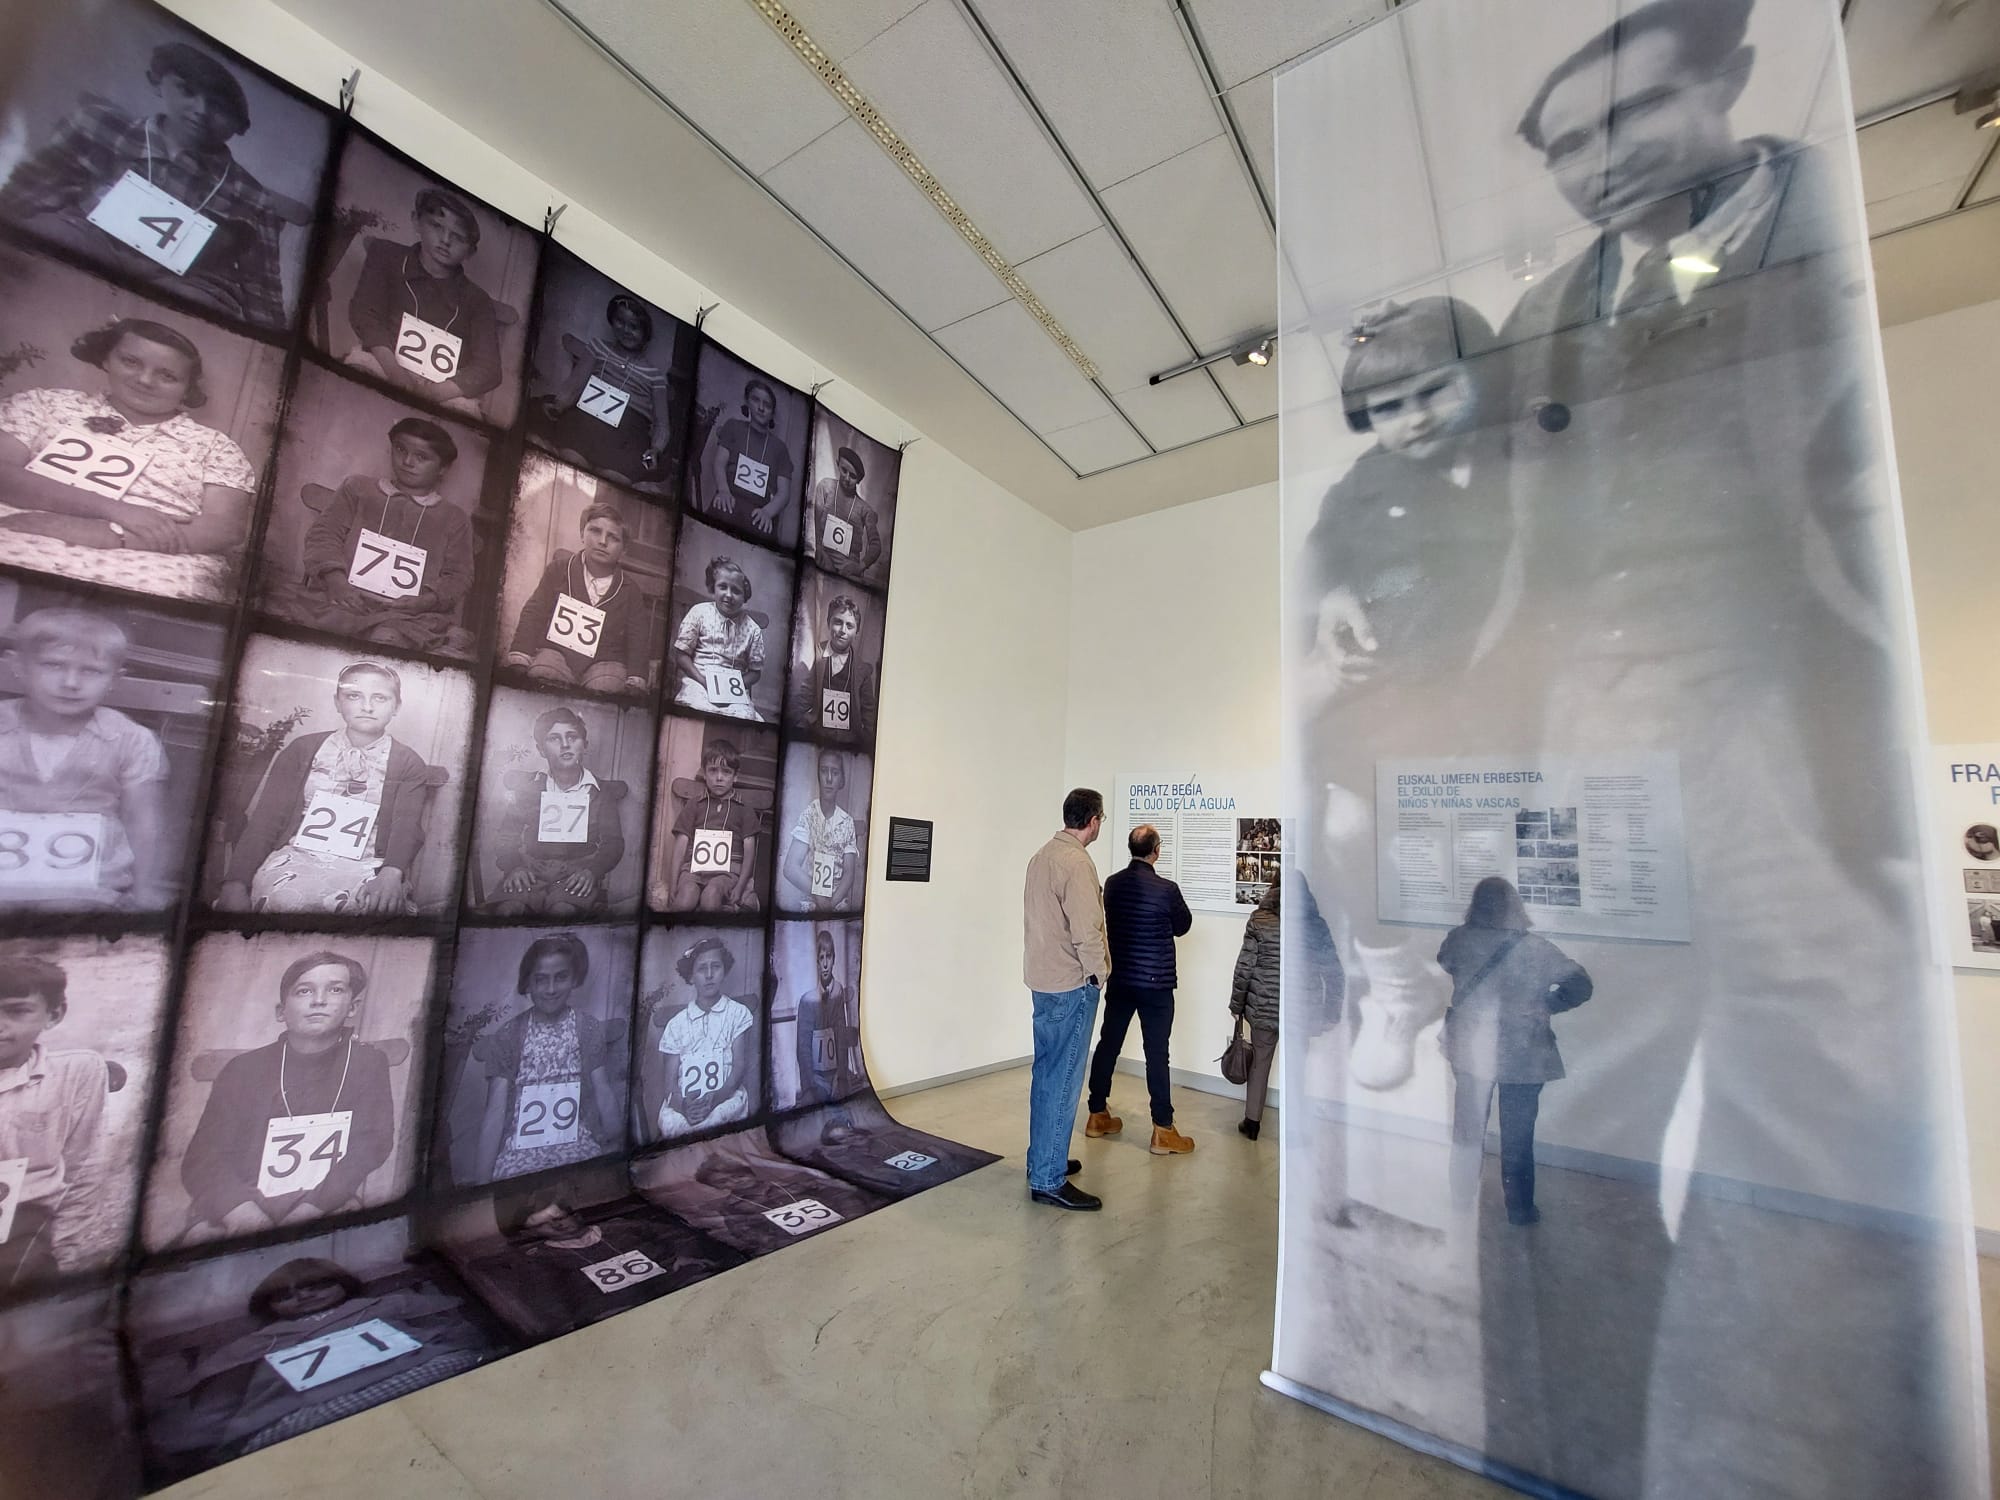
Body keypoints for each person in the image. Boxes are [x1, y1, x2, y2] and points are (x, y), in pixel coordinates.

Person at [1299, 295, 1519, 1097]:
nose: (1413, 418)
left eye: (1432, 391)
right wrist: (1327, 599)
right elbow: (1322, 553)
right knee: (1345, 824)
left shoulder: (1521, 465)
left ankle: (1402, 975)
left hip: (1478, 692)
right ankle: (1396, 980)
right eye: (1389, 407)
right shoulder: (1370, 479)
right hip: (1382, 689)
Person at [0, 41, 307, 327]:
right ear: (156, 82)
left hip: (185, 280)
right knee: (49, 236)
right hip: (89, 241)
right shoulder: (101, 125)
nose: (201, 110)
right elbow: (36, 185)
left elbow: (260, 285)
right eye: (186, 91)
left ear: (238, 127)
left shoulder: (252, 196)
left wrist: (274, 340)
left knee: (202, 306)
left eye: (220, 107)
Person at [138, 1255, 491, 1480]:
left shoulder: (387, 1303)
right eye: (285, 1293)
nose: (304, 1296)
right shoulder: (257, 1343)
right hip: (306, 1417)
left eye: (315, 1284)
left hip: (419, 1377)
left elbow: (457, 1325)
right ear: (268, 1305)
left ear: (343, 1284)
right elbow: (214, 1400)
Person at [0, 317, 259, 602]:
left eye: (167, 376)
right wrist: (113, 509)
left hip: (149, 556)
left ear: (187, 388)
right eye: (131, 362)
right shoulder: (43, 404)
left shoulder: (215, 446)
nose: (145, 380)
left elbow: (225, 529)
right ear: (107, 359)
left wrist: (110, 535)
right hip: (20, 527)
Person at [177, 950, 395, 1239]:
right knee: (203, 1246)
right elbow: (203, 1158)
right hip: (244, 1198)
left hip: (325, 1201)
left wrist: (312, 1209)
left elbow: (371, 1144)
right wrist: (242, 1213)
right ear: (281, 1011)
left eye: (335, 989)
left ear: (352, 1007)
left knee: (353, 1242)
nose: (319, 1000)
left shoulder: (368, 1064)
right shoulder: (243, 1070)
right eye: (304, 991)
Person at [214, 662, 436, 915]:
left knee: (372, 907)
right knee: (284, 900)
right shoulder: (302, 750)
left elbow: (406, 826)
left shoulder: (408, 762)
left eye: (380, 698)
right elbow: (266, 820)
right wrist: (235, 883)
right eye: (354, 696)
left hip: (369, 862)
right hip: (297, 855)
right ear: (337, 702)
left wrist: (390, 874)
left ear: (396, 706)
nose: (367, 706)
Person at [1437, 877, 1592, 1226]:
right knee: (1518, 1135)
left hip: (1473, 1049)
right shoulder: (1536, 948)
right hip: (1523, 1049)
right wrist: (1549, 1004)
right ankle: (1520, 1209)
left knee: (1467, 1130)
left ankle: (1461, 1200)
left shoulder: (1459, 939)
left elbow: (1445, 962)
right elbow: (1581, 983)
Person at [0, 607, 170, 910]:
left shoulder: (130, 739)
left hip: (89, 890)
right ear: (20, 666)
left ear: (115, 679)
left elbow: (142, 822)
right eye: (53, 665)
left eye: (91, 671)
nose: (71, 682)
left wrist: (145, 889)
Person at [273, 417, 475, 655]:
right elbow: (324, 535)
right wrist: (336, 580)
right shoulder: (358, 489)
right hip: (344, 599)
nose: (407, 462)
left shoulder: (453, 517)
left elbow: (458, 575)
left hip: (406, 615)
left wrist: (426, 600)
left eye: (422, 457)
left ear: (442, 468)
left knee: (387, 639)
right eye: (401, 450)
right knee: (282, 609)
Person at [469, 933, 621, 1183]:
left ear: (574, 979)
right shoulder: (509, 1035)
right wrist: (480, 1186)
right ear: (527, 983)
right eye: (541, 980)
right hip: (520, 1151)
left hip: (576, 1143)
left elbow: (602, 1090)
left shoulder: (587, 1028)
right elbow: (495, 1112)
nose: (551, 990)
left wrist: (616, 1146)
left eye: (560, 978)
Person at [1021, 787, 1110, 1210]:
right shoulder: (1077, 864)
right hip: (1070, 985)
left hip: (1042, 981)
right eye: (1100, 820)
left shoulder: (1041, 856)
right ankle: (1048, 1178)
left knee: (1046, 1074)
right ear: (1092, 821)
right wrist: (1099, 975)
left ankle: (1042, 1159)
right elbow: (1086, 930)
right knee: (1063, 1081)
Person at [341, 187, 505, 417]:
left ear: (470, 251)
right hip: (382, 361)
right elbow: (365, 313)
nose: (445, 240)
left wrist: (436, 393)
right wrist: (398, 377)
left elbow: (489, 368)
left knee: (463, 418)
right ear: (416, 221)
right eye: (436, 226)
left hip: (446, 388)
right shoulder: (386, 255)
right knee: (353, 387)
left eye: (458, 237)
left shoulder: (477, 300)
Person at [1083, 824, 1195, 1156]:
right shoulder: (1167, 889)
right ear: (1156, 851)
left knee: (1108, 1045)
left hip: (1121, 979)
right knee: (1156, 1054)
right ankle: (1163, 1128)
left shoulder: (1114, 885)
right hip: (1156, 984)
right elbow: (1183, 925)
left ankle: (1096, 1113)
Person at [0, 955, 106, 1286]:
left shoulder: (77, 1073)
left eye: (17, 1011)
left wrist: (66, 1248)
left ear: (54, 1014)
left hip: (25, 1218)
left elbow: (83, 1166)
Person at [484, 707, 628, 917]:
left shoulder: (600, 792)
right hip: (531, 871)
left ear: (584, 745)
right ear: (541, 749)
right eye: (554, 738)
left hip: (576, 874)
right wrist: (514, 867)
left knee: (562, 911)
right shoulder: (530, 788)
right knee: (507, 911)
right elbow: (507, 835)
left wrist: (592, 872)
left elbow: (613, 843)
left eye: (572, 737)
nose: (565, 744)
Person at [505, 501, 654, 694]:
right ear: (582, 534)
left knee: (608, 686)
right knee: (543, 672)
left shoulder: (629, 589)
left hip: (605, 661)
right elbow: (534, 612)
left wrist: (636, 678)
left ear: (624, 549)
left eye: (613, 538)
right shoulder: (558, 571)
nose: (602, 541)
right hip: (557, 652)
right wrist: (521, 655)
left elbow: (638, 637)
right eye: (595, 531)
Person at [535, 293, 676, 491]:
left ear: (645, 333)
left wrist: (656, 449)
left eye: (634, 326)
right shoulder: (597, 347)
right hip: (586, 421)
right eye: (620, 321)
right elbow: (575, 383)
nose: (626, 330)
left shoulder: (655, 376)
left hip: (627, 436)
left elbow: (662, 423)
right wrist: (560, 404)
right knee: (567, 470)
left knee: (609, 486)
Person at [653, 937, 754, 1138]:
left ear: (724, 970)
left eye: (715, 967)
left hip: (725, 1096)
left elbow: (738, 1069)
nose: (709, 975)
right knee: (673, 1123)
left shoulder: (737, 1014)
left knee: (716, 1120)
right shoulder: (676, 1024)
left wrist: (715, 1099)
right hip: (684, 1102)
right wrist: (683, 1106)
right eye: (701, 969)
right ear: (691, 976)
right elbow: (669, 1084)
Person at [664, 738, 759, 913]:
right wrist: (673, 883)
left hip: (727, 873)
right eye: (713, 771)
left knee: (711, 896)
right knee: (685, 898)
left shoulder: (744, 810)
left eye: (726, 772)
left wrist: (740, 887)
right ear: (704, 773)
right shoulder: (694, 804)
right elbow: (680, 846)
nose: (719, 778)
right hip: (694, 870)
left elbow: (750, 853)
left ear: (735, 776)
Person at [672, 555, 765, 719]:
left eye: (736, 591)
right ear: (712, 587)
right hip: (700, 681)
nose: (729, 595)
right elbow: (681, 655)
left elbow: (755, 672)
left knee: (744, 716)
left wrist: (734, 688)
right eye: (723, 587)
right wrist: (702, 680)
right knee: (696, 707)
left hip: (733, 689)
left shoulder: (753, 629)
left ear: (745, 596)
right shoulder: (699, 613)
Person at [697, 377, 792, 534]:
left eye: (767, 405)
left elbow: (784, 493)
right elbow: (719, 462)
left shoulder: (780, 448)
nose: (761, 408)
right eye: (756, 400)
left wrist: (768, 512)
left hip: (760, 510)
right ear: (747, 402)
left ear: (772, 413)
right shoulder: (733, 426)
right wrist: (723, 490)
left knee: (762, 533)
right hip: (729, 498)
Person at [793, 927, 861, 1137]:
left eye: (829, 957)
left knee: (849, 1110)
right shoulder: (807, 1000)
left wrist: (841, 1075)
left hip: (835, 1074)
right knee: (813, 1119)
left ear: (834, 959)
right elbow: (803, 1048)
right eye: (820, 957)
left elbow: (840, 1033)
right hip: (816, 1077)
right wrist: (809, 1085)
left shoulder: (838, 991)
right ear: (815, 961)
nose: (825, 963)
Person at [1229, 878, 1282, 1141]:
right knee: (1302, 1066)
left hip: (1263, 1004)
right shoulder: (1311, 920)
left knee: (1260, 1063)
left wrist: (1236, 1005)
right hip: (1298, 1009)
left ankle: (1252, 1123)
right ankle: (1301, 1122)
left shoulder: (1260, 920)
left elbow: (1245, 967)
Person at [788, 592, 879, 743]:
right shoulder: (815, 655)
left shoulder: (863, 669)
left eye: (849, 626)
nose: (843, 630)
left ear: (856, 632)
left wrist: (868, 744)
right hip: (817, 732)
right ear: (829, 623)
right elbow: (804, 698)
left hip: (849, 737)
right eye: (838, 622)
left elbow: (869, 713)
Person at [780, 747, 860, 912]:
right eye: (824, 771)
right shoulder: (809, 815)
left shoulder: (847, 822)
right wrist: (818, 895)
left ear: (842, 780)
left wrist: (830, 904)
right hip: (810, 898)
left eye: (835, 773)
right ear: (818, 775)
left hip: (837, 901)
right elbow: (790, 867)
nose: (829, 779)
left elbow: (849, 874)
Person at [804, 443, 886, 585]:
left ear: (859, 480)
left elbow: (876, 545)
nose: (847, 478)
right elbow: (817, 520)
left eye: (853, 476)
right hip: (824, 557)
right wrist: (819, 548)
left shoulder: (864, 509)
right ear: (837, 464)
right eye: (844, 470)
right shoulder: (825, 487)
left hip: (849, 567)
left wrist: (860, 566)